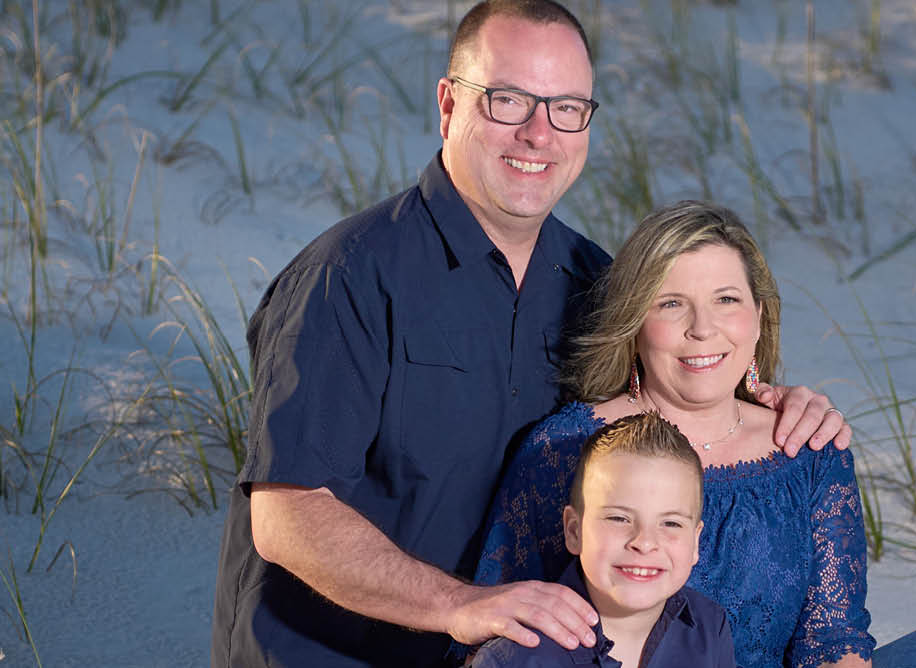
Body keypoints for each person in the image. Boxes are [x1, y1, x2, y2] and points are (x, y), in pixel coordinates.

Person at [209, 3, 850, 667]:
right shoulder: (349, 277)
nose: (539, 133)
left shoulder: (594, 281)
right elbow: (288, 516)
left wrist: (779, 404)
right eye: (509, 101)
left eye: (566, 107)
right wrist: (461, 606)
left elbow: (674, 402)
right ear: (449, 105)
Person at [476, 201, 916, 668]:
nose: (703, 328)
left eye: (726, 299)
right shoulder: (567, 448)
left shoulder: (807, 447)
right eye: (671, 302)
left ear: (758, 316)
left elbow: (833, 639)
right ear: (635, 322)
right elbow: (504, 624)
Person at [468, 413, 735, 668]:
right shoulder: (515, 658)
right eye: (619, 518)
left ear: (695, 543)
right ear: (574, 531)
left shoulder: (711, 629)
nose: (644, 542)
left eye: (671, 523)